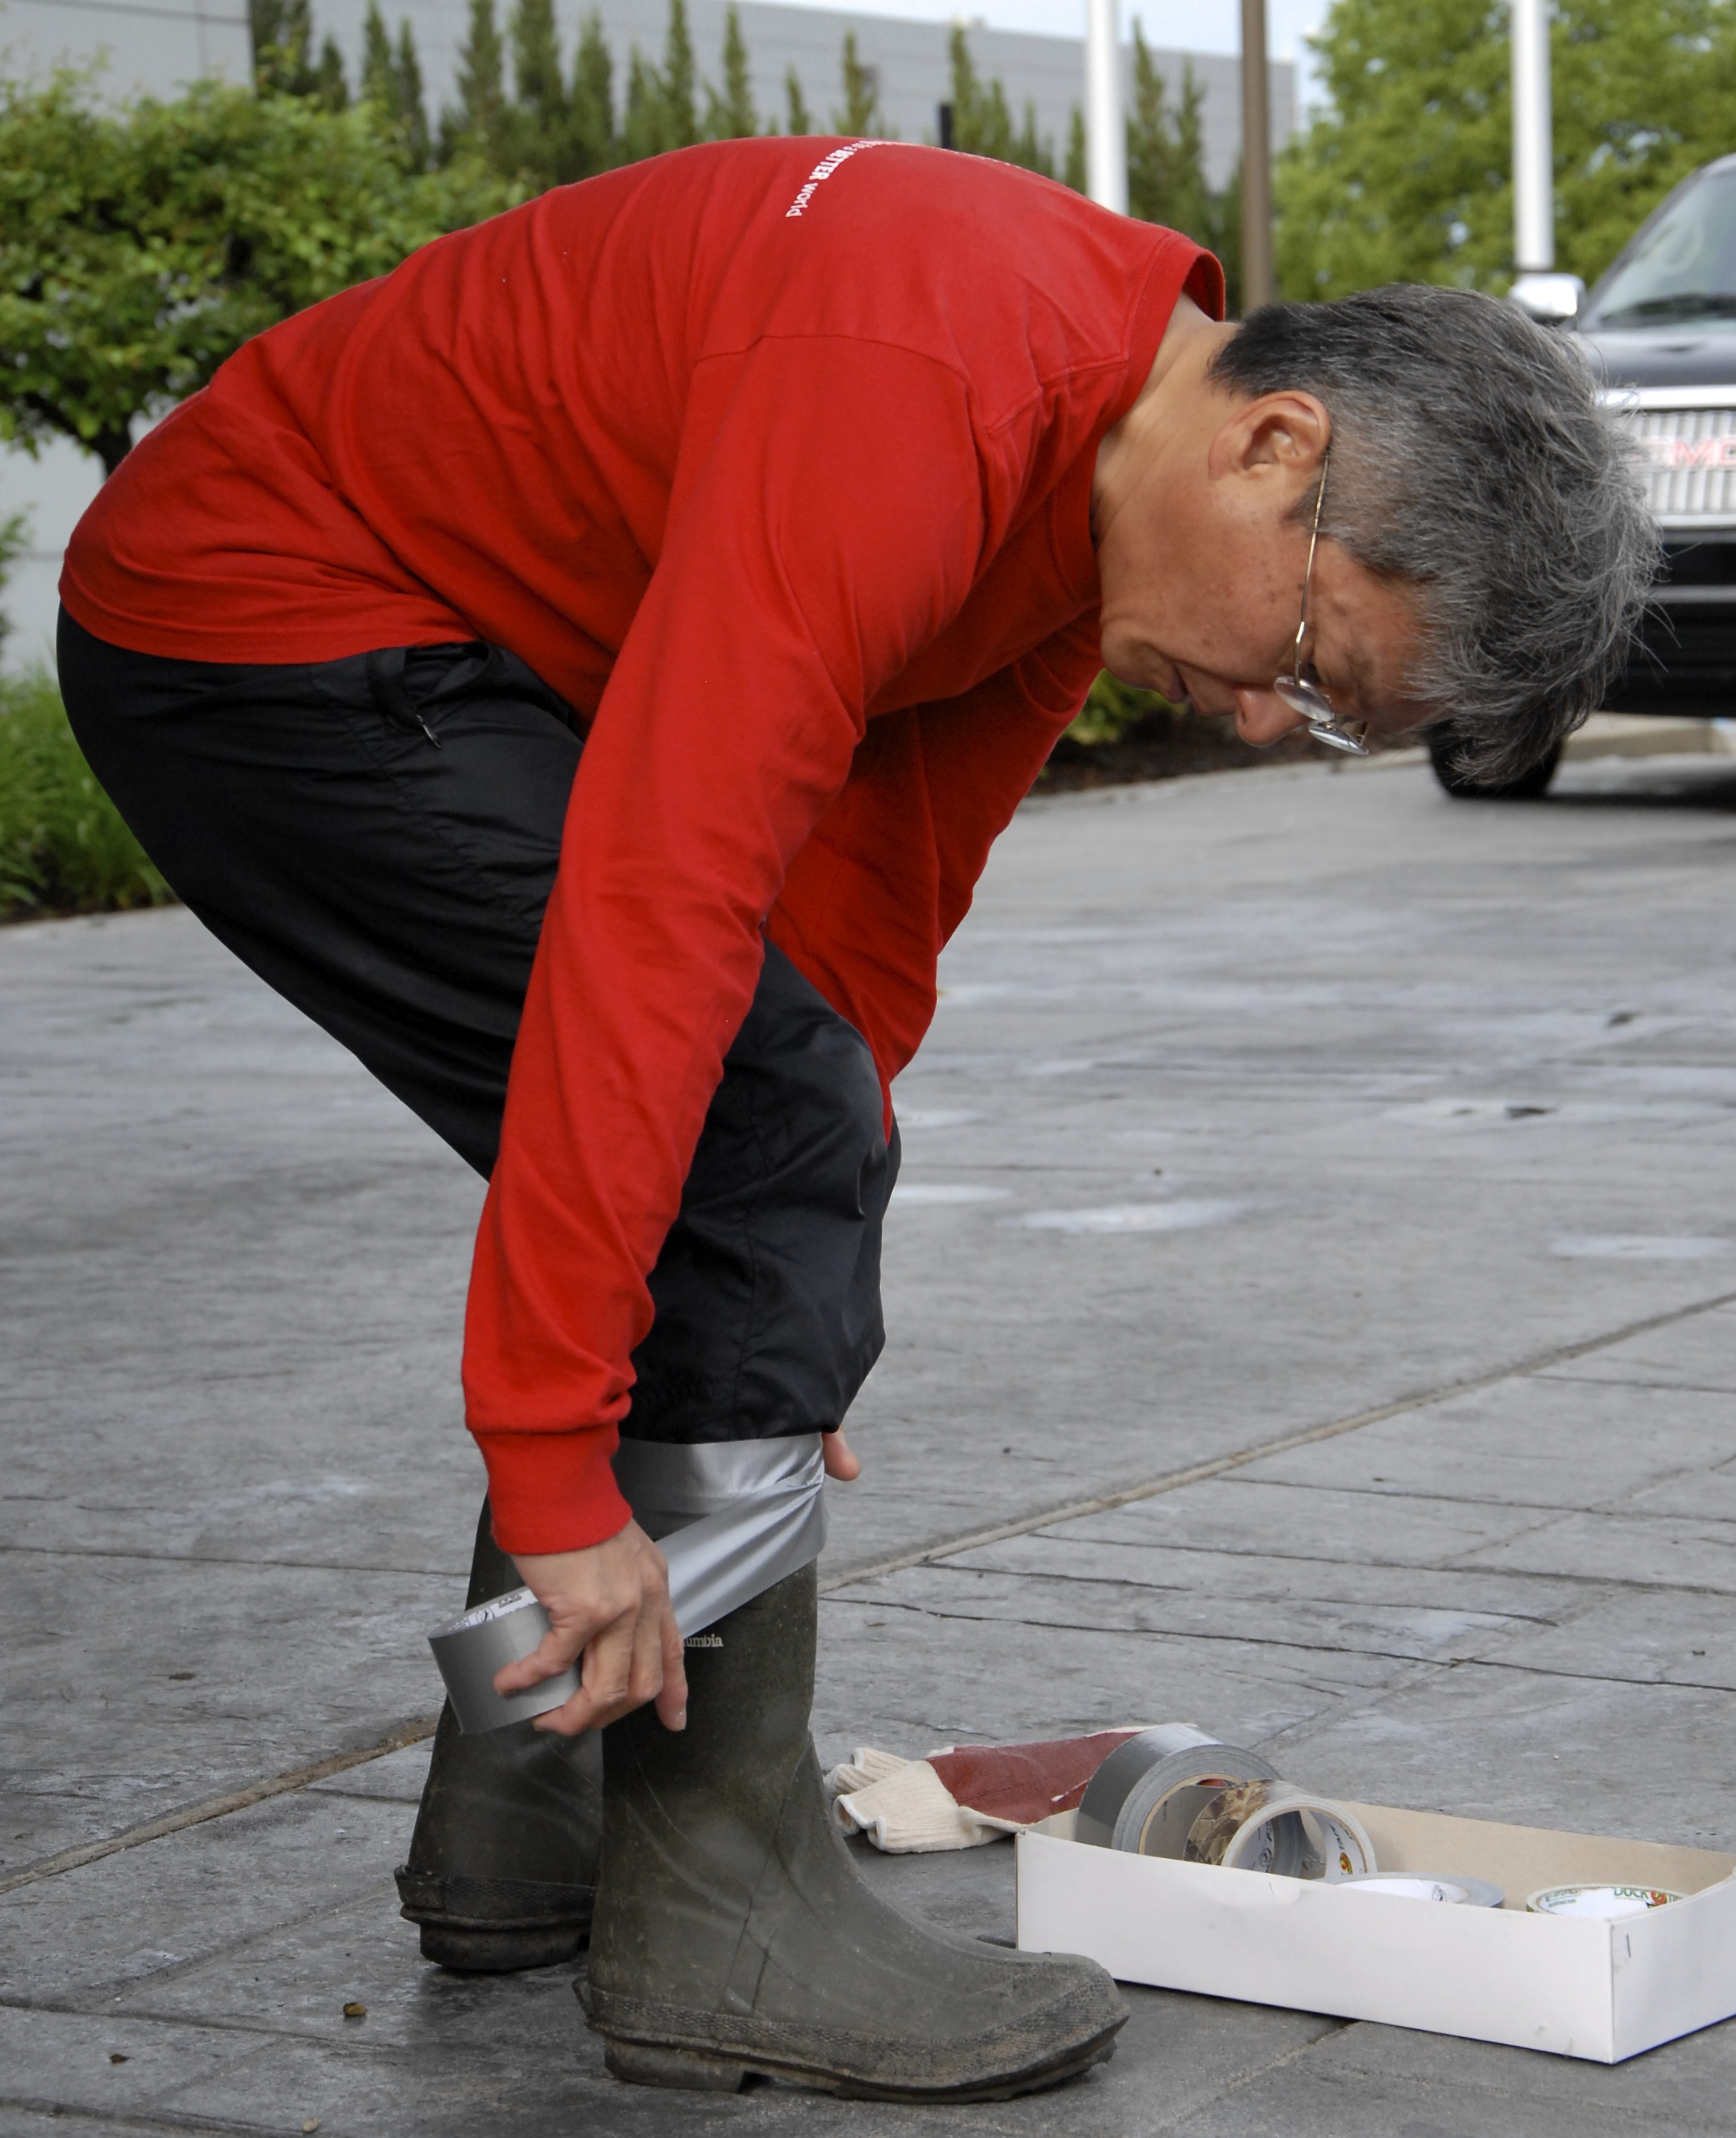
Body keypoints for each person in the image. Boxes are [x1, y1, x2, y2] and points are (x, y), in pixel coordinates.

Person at [56, 135, 1655, 2101]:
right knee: (745, 1128)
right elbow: (664, 900)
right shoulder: (926, 379)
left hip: (445, 644)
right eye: (1313, 666)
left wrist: (783, 1309)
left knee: (769, 1135)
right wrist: (568, 1449)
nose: (1259, 719)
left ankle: (521, 1817)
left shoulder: (1089, 482)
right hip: (263, 618)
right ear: (1277, 446)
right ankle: (721, 1916)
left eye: (1326, 723)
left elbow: (867, 904)